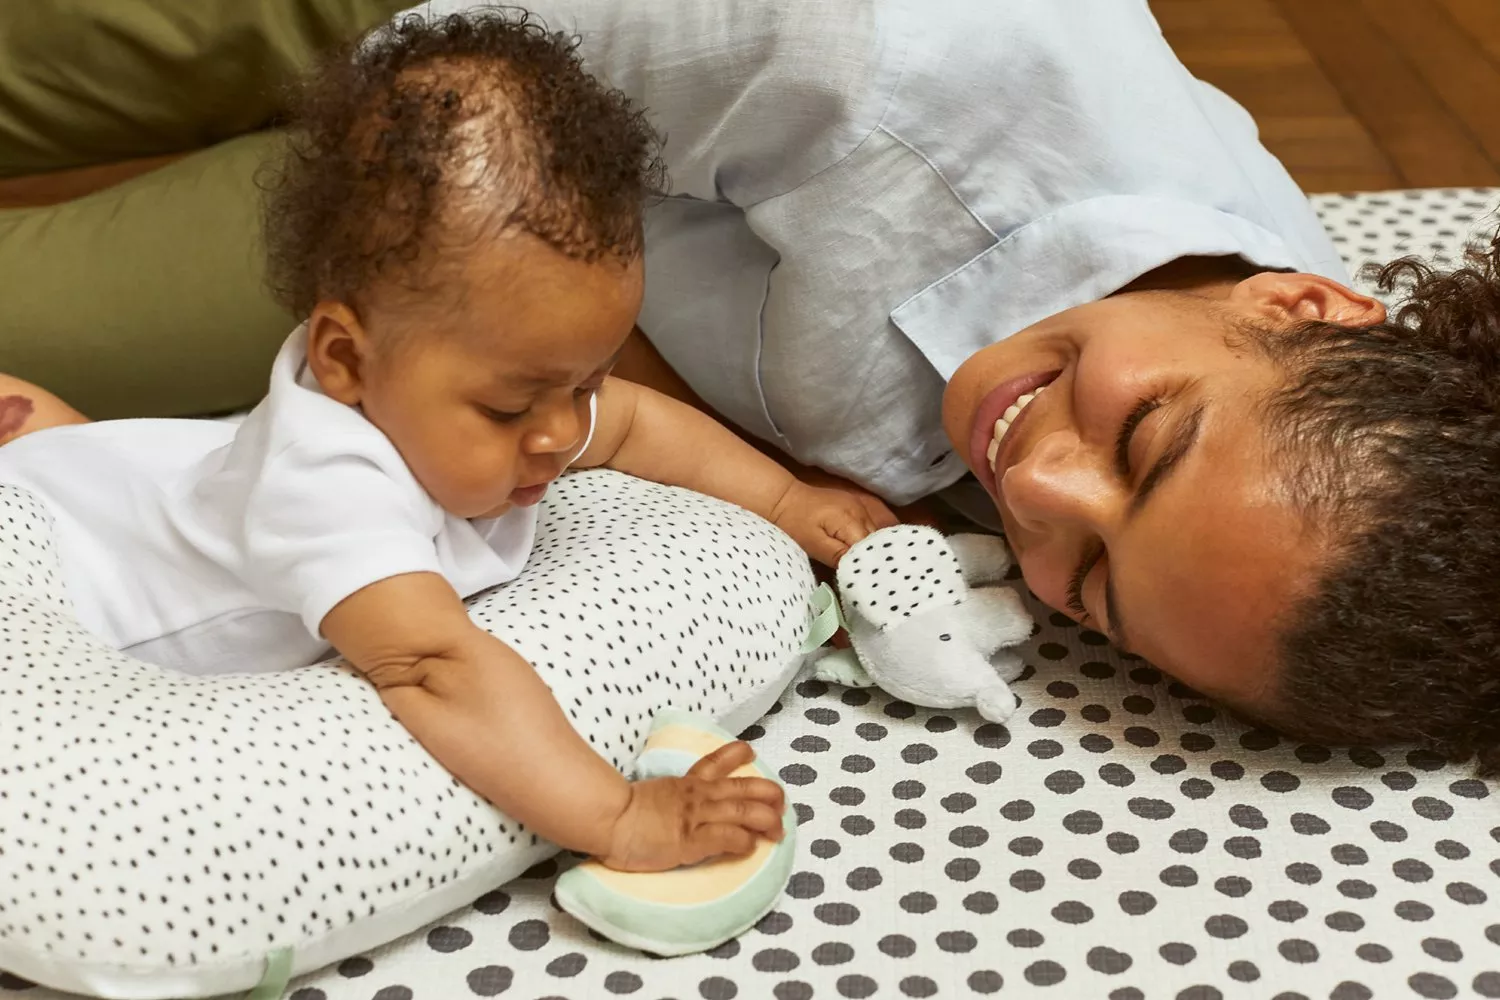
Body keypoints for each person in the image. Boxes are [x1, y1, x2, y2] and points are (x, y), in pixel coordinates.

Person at [407, 0, 1499, 769]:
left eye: (1095, 587)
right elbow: (434, 97)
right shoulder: (874, 59)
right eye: (1142, 440)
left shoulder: (1341, 427)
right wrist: (755, 470)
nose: (1034, 493)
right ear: (1297, 305)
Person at [0, 12, 898, 871]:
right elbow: (437, 668)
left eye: (579, 382)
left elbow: (629, 421)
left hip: (165, 482)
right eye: (510, 410)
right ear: (347, 359)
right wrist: (619, 816)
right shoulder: (325, 489)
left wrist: (787, 501)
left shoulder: (496, 394)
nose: (558, 432)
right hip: (58, 547)